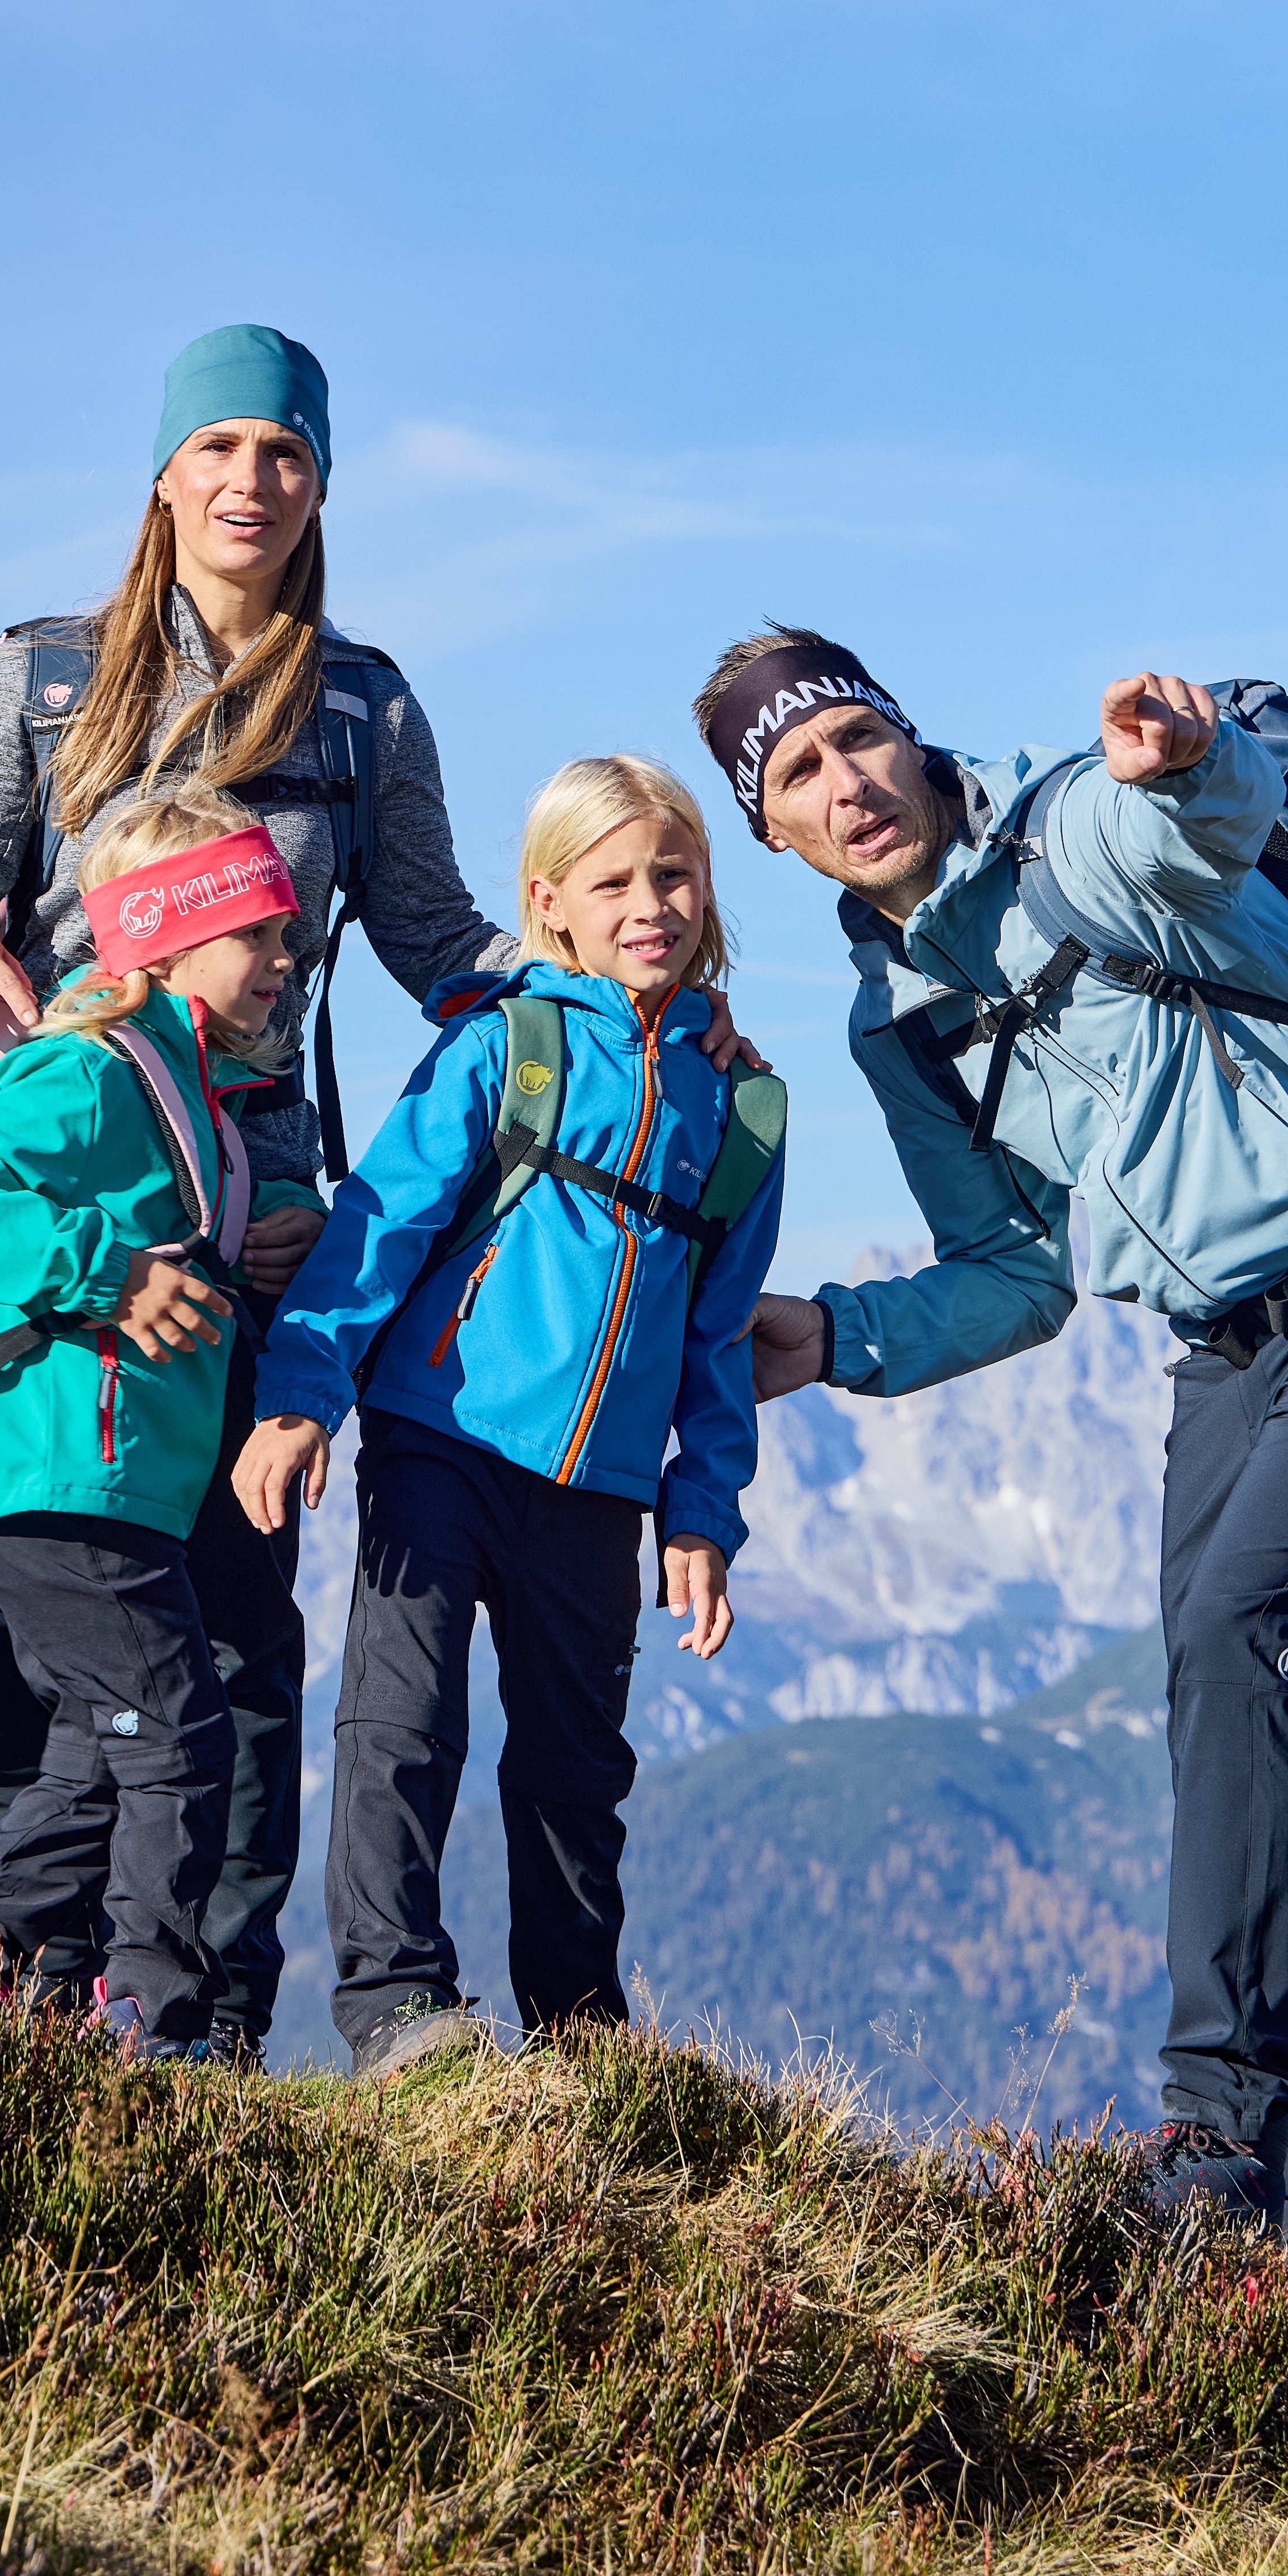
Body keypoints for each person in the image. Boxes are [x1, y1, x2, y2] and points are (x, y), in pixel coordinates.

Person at [702, 631, 1288, 2265]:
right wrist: (839, 1339)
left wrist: (1186, 758)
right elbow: (1017, 1271)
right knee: (1234, 1713)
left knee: (1242, 1638)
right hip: (1226, 1342)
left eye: (860, 738)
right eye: (798, 773)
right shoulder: (901, 1026)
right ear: (771, 834)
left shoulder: (1069, 824)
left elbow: (1193, 829)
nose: (847, 781)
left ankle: (1216, 2130)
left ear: (911, 737)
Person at [233, 756, 784, 2079]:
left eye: (674, 872)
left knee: (577, 1764)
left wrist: (700, 1511)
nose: (649, 902)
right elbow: (379, 1225)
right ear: (550, 902)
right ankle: (396, 2005)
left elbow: (717, 1333)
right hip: (442, 1436)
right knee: (401, 1724)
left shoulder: (744, 1105)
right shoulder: (503, 1041)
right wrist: (303, 1395)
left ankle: (582, 2035)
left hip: (600, 1485)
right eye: (613, 881)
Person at [0, 785, 304, 2059]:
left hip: (121, 1485)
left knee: (96, 1754)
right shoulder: (88, 1069)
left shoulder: (207, 1106)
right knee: (179, 1732)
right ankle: (146, 2018)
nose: (288, 961)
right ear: (168, 938)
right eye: (261, 935)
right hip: (60, 1471)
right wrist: (113, 1273)